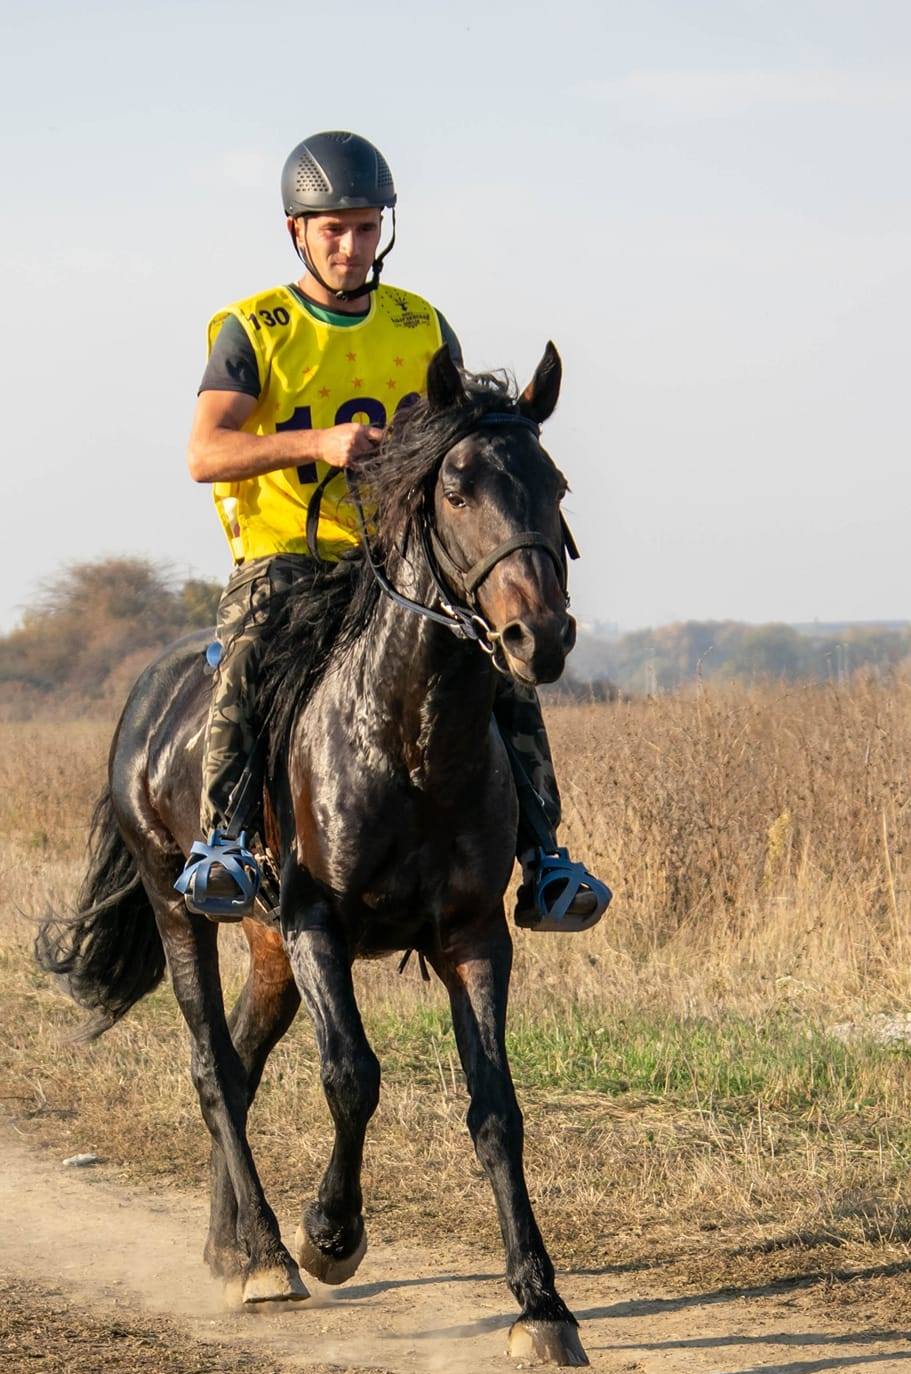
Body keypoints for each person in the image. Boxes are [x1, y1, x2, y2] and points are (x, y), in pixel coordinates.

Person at [179, 130, 604, 929]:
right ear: (296, 232)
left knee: (499, 668)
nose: (350, 245)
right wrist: (317, 444)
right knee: (250, 651)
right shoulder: (252, 327)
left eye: (366, 227)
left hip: (400, 564)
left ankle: (544, 856)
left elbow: (465, 447)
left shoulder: (421, 325)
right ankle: (226, 842)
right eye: (332, 229)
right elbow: (206, 453)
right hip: (287, 557)